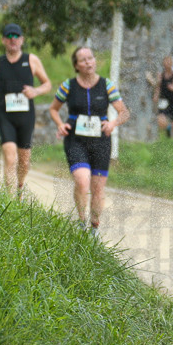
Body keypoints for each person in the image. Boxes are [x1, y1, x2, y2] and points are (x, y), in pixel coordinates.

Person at [48, 46, 129, 236]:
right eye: (83, 60)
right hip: (75, 140)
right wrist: (60, 124)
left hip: (101, 141)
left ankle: (94, 228)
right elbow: (53, 109)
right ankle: (81, 222)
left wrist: (113, 123)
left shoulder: (106, 85)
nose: (88, 62)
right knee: (82, 181)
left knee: (98, 188)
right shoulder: (68, 85)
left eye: (90, 58)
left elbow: (124, 112)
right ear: (76, 65)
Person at [0, 23, 52, 197]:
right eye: (9, 37)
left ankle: (19, 186)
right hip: (5, 115)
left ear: (22, 40)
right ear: (4, 40)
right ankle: (10, 201)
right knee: (10, 157)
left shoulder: (32, 60)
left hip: (26, 116)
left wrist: (35, 91)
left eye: (16, 37)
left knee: (24, 161)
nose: (13, 40)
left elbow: (47, 84)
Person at [154, 55, 173, 139]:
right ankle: (165, 133)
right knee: (160, 119)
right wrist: (155, 96)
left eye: (169, 62)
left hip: (172, 101)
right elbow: (158, 87)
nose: (167, 64)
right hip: (163, 101)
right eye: (166, 61)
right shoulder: (160, 75)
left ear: (172, 63)